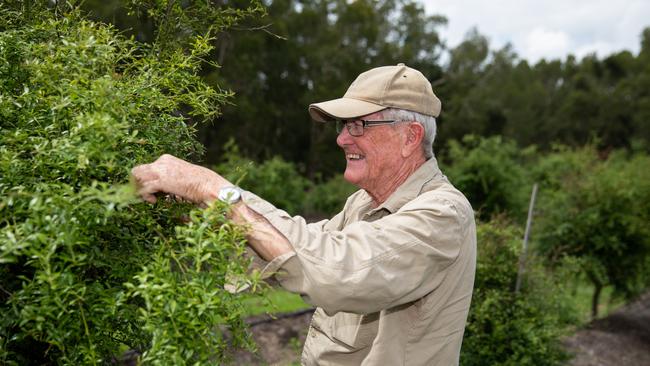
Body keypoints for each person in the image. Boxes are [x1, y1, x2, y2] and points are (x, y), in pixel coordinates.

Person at [131, 63, 476, 365]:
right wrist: (202, 212)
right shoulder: (363, 204)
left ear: (409, 137)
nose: (342, 139)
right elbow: (299, 247)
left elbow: (337, 272)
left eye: (358, 125)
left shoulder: (442, 214)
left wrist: (215, 191)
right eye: (342, 126)